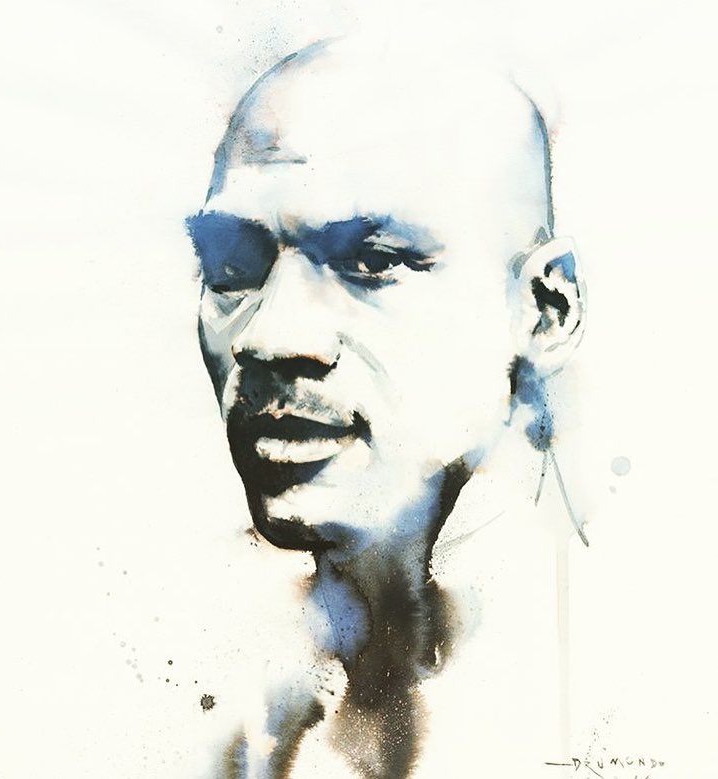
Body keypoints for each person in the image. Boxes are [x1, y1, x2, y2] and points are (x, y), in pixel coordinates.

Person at [187, 36, 585, 779]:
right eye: (231, 264)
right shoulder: (224, 710)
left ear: (544, 309)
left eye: (372, 261)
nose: (268, 336)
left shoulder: (630, 706)